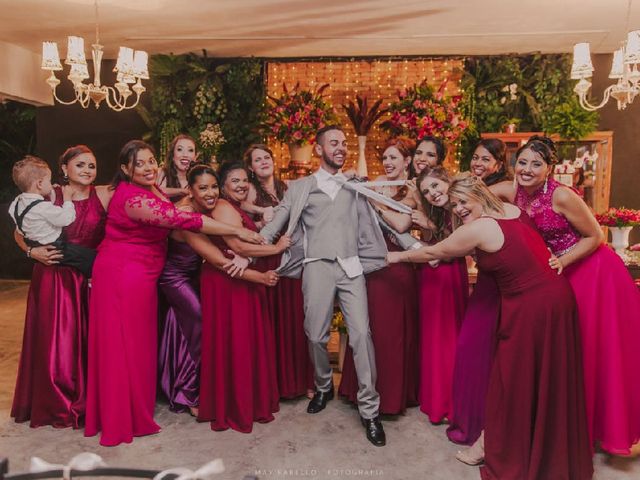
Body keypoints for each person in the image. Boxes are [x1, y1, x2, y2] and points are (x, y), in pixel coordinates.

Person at [388, 174, 593, 480]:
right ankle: (538, 449)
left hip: (531, 309)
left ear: (478, 193)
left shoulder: (480, 227)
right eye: (454, 204)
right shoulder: (512, 210)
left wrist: (396, 256)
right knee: (542, 379)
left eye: (462, 201)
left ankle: (493, 447)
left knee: (508, 381)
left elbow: (435, 251)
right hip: (557, 298)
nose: (458, 208)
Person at [85, 140, 264, 447]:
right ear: (126, 169)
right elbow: (184, 219)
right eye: (139, 164)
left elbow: (170, 199)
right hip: (122, 275)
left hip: (143, 276)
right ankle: (120, 417)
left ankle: (137, 406)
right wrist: (237, 230)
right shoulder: (131, 198)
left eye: (151, 160)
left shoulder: (151, 188)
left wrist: (184, 192)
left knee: (138, 346)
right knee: (121, 347)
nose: (148, 167)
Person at [492, 135, 640, 455]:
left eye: (536, 164)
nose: (527, 169)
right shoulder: (512, 190)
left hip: (592, 272)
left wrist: (562, 259)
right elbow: (476, 194)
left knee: (589, 347)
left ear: (549, 169)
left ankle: (594, 429)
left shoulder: (562, 196)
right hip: (556, 274)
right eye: (522, 162)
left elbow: (596, 236)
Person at [260, 125, 388, 446]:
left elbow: (379, 221)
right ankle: (323, 385)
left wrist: (412, 245)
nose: (341, 148)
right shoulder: (301, 187)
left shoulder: (356, 186)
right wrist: (253, 245)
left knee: (361, 334)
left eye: (344, 143)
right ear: (319, 150)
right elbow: (276, 222)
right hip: (316, 266)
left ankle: (370, 410)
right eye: (334, 143)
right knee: (315, 335)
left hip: (351, 267)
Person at [10, 146, 110, 428]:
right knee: (58, 344)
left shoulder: (103, 193)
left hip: (90, 274)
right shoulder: (49, 194)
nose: (88, 170)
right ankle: (58, 403)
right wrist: (32, 253)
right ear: (64, 169)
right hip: (54, 277)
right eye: (80, 165)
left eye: (92, 165)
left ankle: (93, 397)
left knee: (92, 339)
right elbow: (18, 232)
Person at [198, 162, 288, 433]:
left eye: (244, 180)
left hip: (239, 278)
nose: (241, 185)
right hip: (227, 282)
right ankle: (236, 406)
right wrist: (276, 246)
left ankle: (246, 400)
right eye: (234, 181)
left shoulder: (235, 207)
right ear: (224, 186)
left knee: (244, 340)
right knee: (236, 341)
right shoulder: (224, 208)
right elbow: (236, 245)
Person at [158, 164, 248, 416]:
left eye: (214, 187)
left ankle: (185, 383)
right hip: (174, 277)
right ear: (190, 190)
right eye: (203, 188)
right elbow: (217, 254)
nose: (211, 193)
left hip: (195, 275)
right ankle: (191, 392)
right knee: (200, 319)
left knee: (185, 327)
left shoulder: (211, 206)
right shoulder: (184, 212)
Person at [339, 137, 419, 414]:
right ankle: (359, 388)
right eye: (385, 158)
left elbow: (401, 223)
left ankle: (391, 396)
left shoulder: (412, 190)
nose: (388, 163)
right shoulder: (376, 184)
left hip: (397, 266)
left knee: (391, 333)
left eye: (394, 157)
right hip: (370, 267)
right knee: (366, 329)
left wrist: (373, 202)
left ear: (407, 161)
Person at [447, 138, 508, 445]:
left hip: (506, 284)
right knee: (475, 351)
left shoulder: (501, 192)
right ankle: (474, 418)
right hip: (487, 280)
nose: (479, 163)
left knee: (493, 356)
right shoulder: (468, 192)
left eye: (486, 159)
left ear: (498, 165)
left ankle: (489, 426)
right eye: (475, 157)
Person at [243, 144, 314, 399]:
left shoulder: (287, 187)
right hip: (267, 260)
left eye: (266, 157)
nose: (263, 162)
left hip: (292, 259)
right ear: (250, 167)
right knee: (273, 321)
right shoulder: (250, 190)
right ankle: (276, 384)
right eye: (257, 159)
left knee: (295, 319)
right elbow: (250, 223)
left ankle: (302, 380)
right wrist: (264, 218)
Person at [411, 165, 468, 424]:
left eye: (435, 186)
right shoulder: (437, 210)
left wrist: (428, 224)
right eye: (426, 191)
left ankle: (452, 401)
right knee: (435, 338)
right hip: (435, 273)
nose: (432, 193)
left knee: (451, 336)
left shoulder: (463, 205)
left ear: (447, 180)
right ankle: (437, 399)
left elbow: (460, 242)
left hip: (451, 270)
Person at [9, 156, 95, 277]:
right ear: (39, 184)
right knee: (90, 258)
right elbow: (66, 218)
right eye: (48, 181)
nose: (51, 184)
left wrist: (49, 190)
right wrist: (67, 198)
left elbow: (26, 223)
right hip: (56, 248)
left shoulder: (17, 202)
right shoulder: (42, 207)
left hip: (35, 244)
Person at [156, 134, 198, 200]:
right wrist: (182, 191)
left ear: (195, 157)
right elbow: (153, 191)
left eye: (190, 150)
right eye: (179, 149)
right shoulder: (160, 173)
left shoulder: (197, 178)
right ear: (172, 155)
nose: (185, 155)